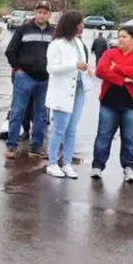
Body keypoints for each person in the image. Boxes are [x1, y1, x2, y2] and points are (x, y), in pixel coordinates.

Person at [90, 25, 133, 183]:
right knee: (103, 135)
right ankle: (98, 165)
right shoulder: (110, 53)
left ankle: (129, 168)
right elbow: (101, 71)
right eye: (119, 36)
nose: (120, 39)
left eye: (124, 36)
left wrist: (117, 67)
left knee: (130, 138)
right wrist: (124, 79)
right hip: (109, 102)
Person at [4, 0, 54, 159]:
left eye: (45, 12)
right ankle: (11, 146)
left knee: (41, 115)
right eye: (40, 11)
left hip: (45, 79)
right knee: (17, 111)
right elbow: (10, 51)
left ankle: (37, 147)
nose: (42, 14)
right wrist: (18, 68)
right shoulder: (23, 29)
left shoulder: (54, 32)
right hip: (24, 77)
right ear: (35, 12)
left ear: (49, 15)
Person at [45, 10, 91, 179]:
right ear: (73, 25)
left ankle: (68, 163)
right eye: (80, 23)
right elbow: (51, 69)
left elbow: (81, 64)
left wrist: (86, 70)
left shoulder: (78, 42)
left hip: (78, 90)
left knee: (71, 130)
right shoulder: (56, 44)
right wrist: (74, 65)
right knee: (59, 130)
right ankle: (52, 163)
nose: (83, 26)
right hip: (62, 92)